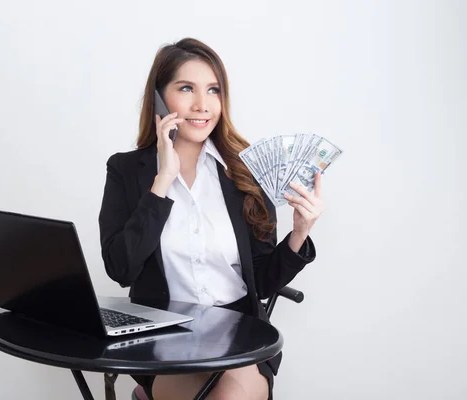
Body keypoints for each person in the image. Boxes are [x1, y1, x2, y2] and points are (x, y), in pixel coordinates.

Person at [98, 37, 324, 400]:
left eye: (213, 90)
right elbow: (120, 269)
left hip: (239, 333)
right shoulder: (127, 170)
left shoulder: (246, 172)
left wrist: (299, 233)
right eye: (186, 88)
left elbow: (263, 283)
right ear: (159, 98)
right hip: (164, 337)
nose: (202, 105)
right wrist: (162, 181)